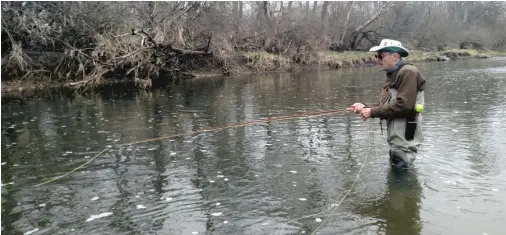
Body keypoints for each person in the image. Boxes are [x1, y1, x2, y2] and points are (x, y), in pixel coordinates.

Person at [349, 39, 426, 169]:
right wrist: (365, 106)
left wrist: (372, 112)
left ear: (395, 56)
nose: (378, 60)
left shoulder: (408, 72)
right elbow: (385, 103)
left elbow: (404, 106)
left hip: (404, 134)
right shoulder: (394, 74)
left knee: (402, 173)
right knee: (397, 169)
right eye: (376, 56)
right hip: (397, 136)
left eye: (380, 56)